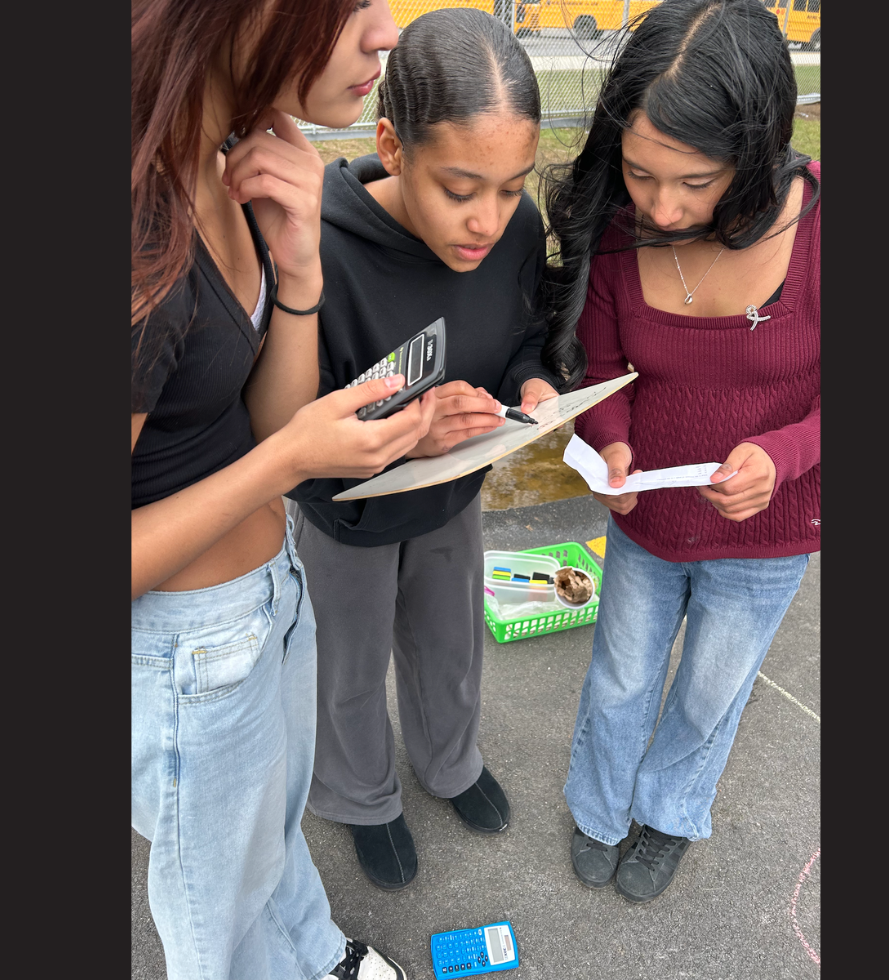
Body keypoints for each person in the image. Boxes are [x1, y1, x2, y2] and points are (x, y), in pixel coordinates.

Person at [131, 1, 433, 977]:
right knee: (212, 921)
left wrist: (298, 265)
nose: (385, 33)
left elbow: (267, 420)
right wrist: (288, 461)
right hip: (189, 656)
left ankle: (314, 951)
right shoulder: (139, 217)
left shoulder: (235, 145)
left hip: (271, 597)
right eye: (350, 4)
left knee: (276, 832)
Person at [540, 0, 820, 904]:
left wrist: (784, 454)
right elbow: (603, 361)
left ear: (758, 147)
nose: (660, 206)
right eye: (638, 173)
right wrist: (609, 446)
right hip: (648, 517)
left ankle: (668, 814)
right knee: (621, 673)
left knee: (710, 693)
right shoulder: (620, 226)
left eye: (695, 181)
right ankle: (598, 808)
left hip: (773, 530)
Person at [284, 7, 560, 892]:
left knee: (449, 645)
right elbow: (289, 431)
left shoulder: (515, 230)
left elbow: (523, 333)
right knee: (350, 665)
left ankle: (450, 763)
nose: (488, 219)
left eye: (512, 186)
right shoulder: (317, 249)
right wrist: (405, 431)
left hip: (453, 494)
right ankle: (360, 796)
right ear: (392, 146)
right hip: (347, 514)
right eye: (461, 187)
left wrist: (534, 383)